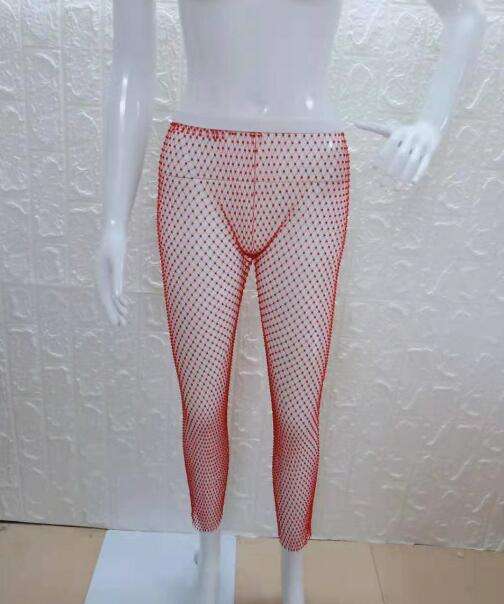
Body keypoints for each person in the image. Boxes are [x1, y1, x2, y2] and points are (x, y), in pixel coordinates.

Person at [96, 2, 486, 603]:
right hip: (198, 168)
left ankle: (293, 586)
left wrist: (431, 121)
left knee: (300, 414)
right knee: (201, 407)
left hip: (310, 172)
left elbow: (465, 14)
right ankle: (208, 569)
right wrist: (112, 221)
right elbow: (131, 66)